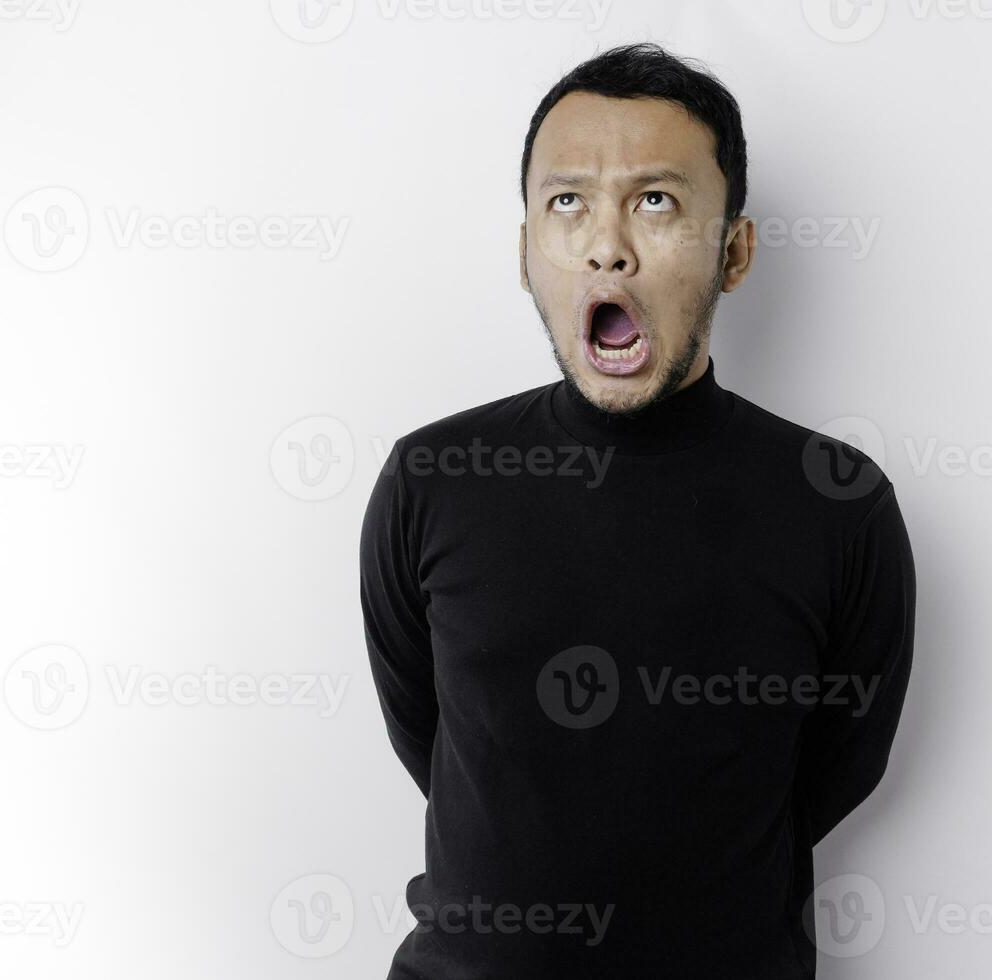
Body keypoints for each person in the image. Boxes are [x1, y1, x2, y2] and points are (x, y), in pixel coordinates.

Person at [360, 41, 916, 979]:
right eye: (566, 202)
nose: (605, 243)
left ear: (733, 252)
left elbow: (836, 768)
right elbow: (431, 732)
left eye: (655, 202)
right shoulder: (431, 479)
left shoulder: (839, 503)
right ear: (526, 250)